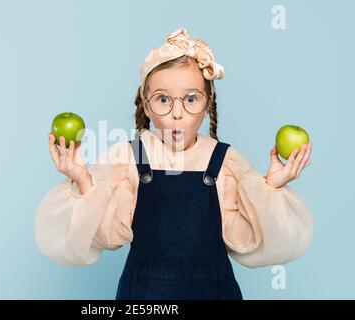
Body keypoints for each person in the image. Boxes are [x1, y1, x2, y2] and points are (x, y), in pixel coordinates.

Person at [34, 28, 315, 300]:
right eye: (163, 99)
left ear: (208, 104)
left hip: (214, 290)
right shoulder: (132, 156)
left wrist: (270, 188)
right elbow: (104, 236)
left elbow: (242, 239)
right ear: (146, 105)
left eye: (191, 99)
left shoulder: (224, 160)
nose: (177, 113)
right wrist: (83, 181)